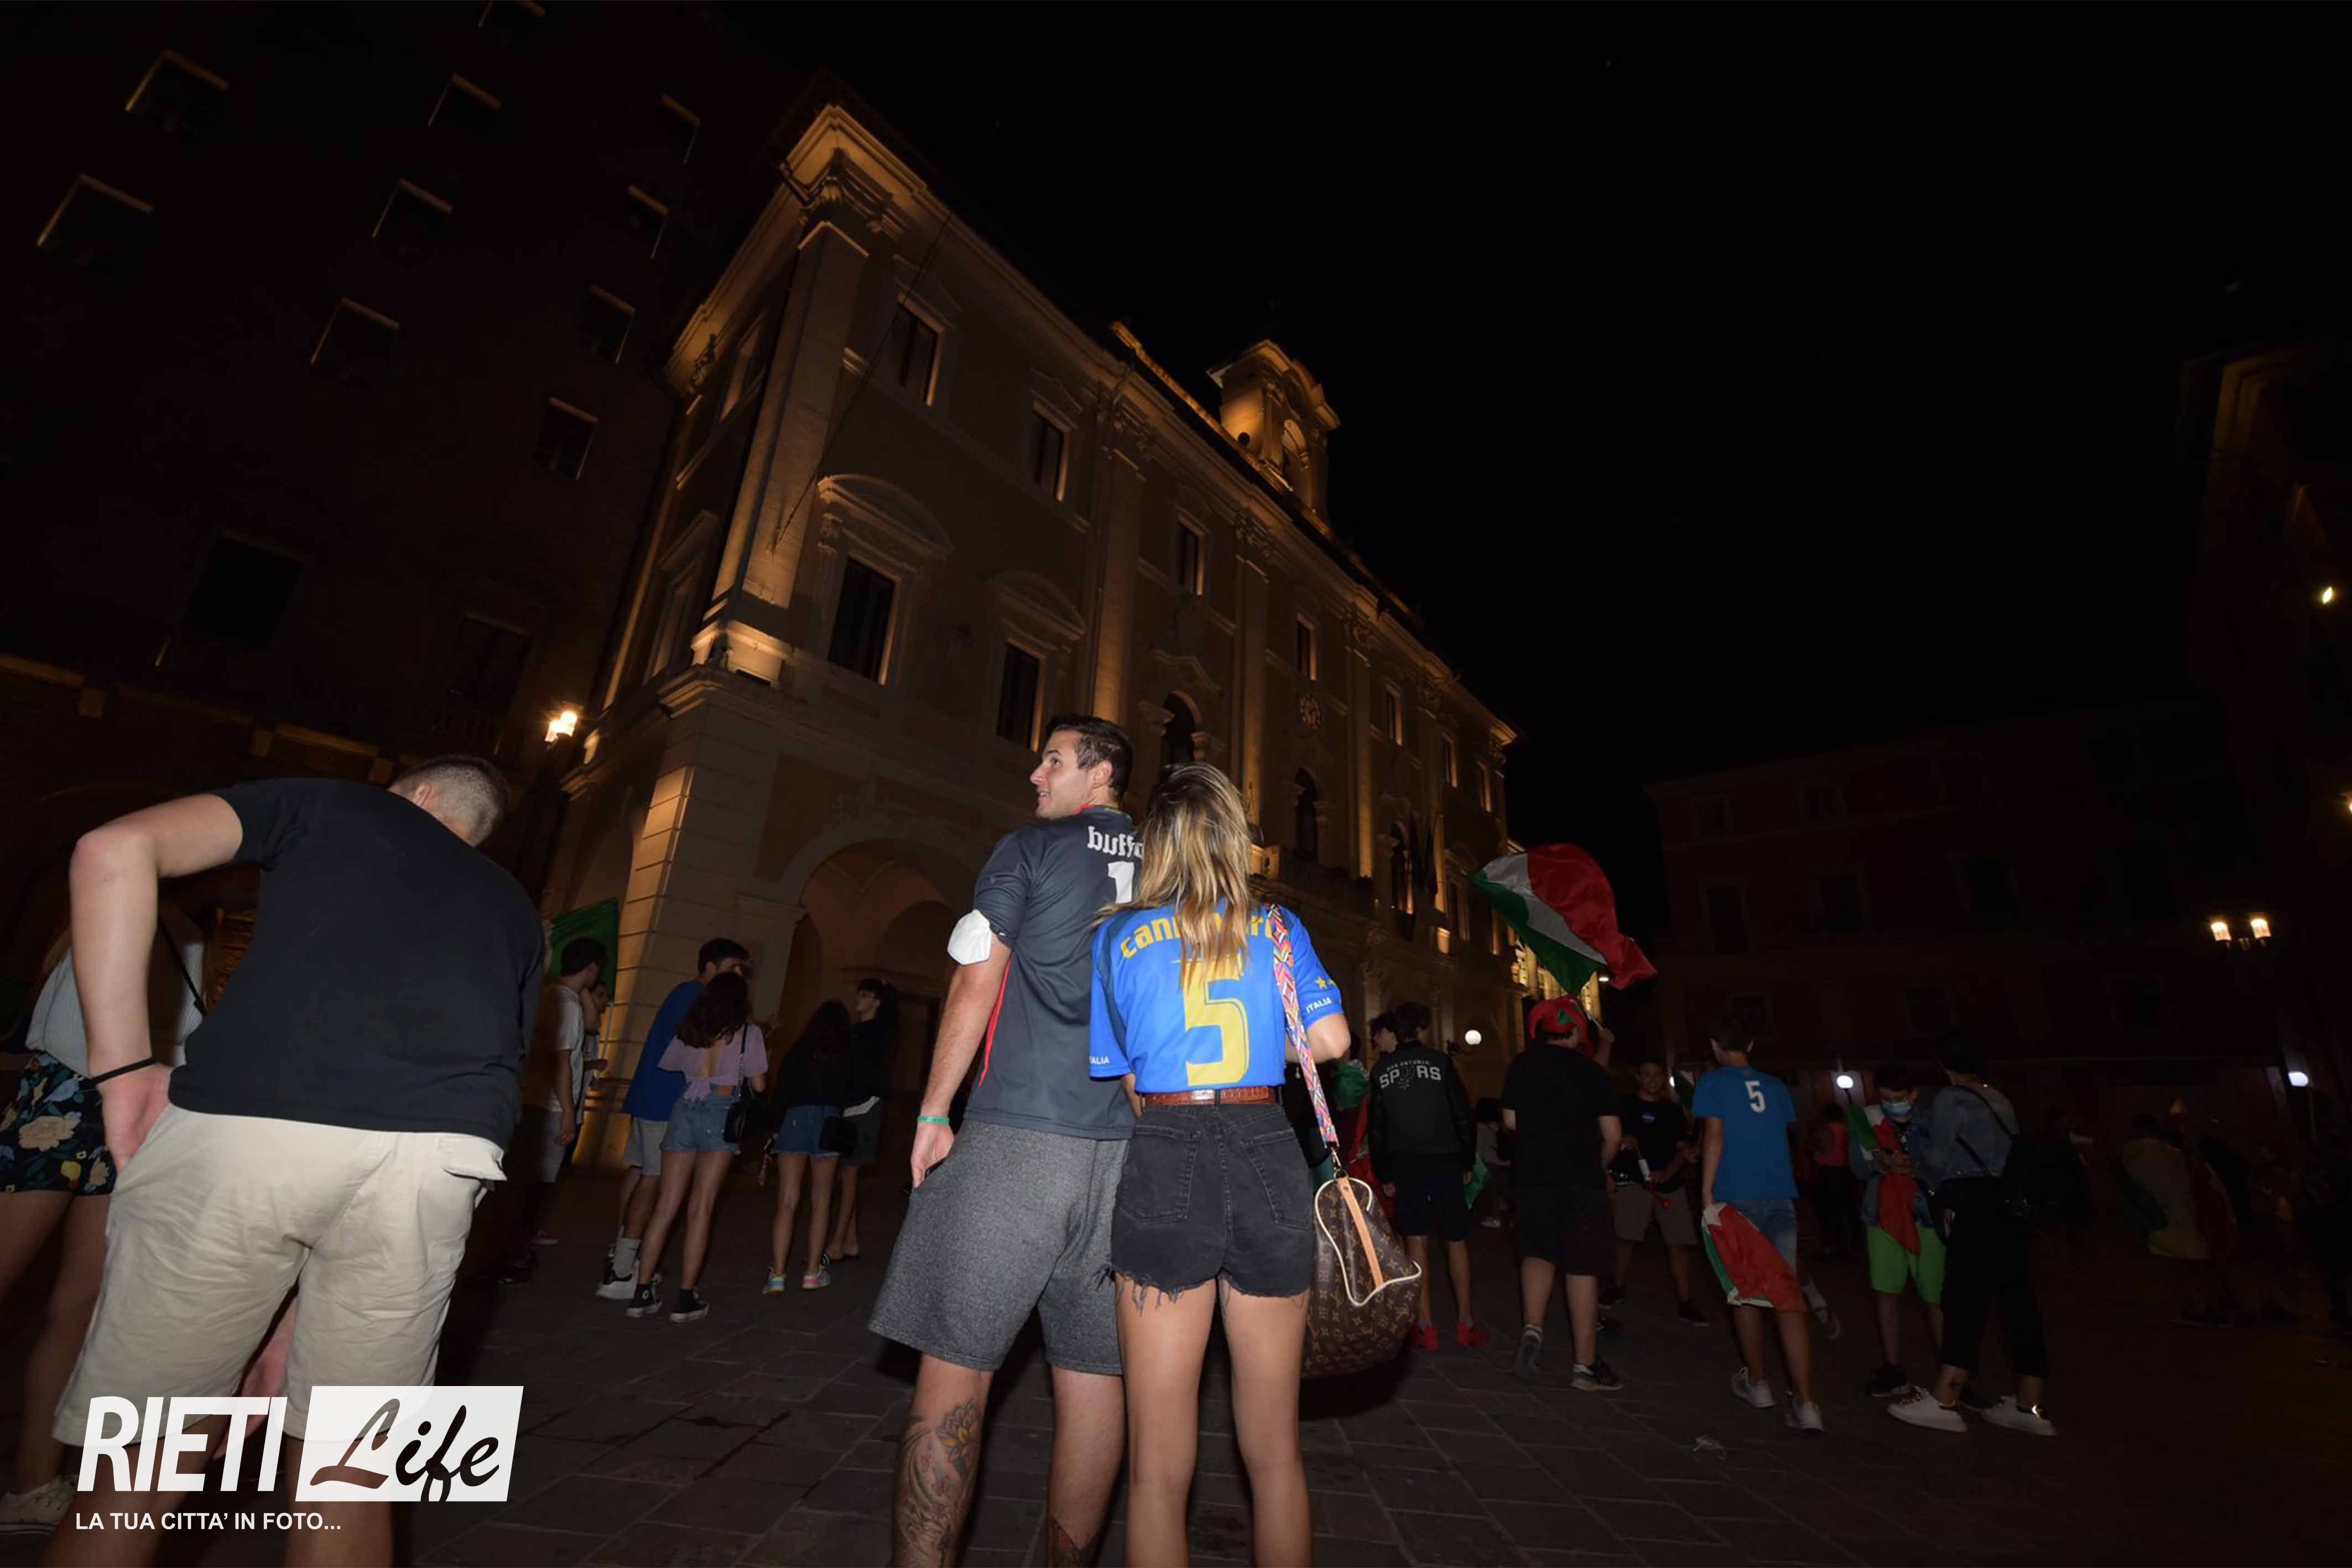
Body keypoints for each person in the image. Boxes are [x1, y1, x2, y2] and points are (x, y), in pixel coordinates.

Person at [46, 757, 542, 1568]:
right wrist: (291, 1321)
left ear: (416, 794)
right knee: (352, 1473)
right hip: (441, 1159)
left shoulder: (336, 804)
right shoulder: (516, 908)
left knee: (145, 1461)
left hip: (257, 1123)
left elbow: (112, 847)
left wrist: (124, 1068)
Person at [870, 715, 1139, 1567]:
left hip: (1019, 1136)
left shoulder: (1031, 847)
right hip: (1132, 1154)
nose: (1036, 774)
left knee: (957, 1364)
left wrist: (932, 1111)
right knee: (1097, 1378)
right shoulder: (1174, 864)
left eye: (1053, 759)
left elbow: (975, 979)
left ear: (1100, 772)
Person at [1088, 763, 1350, 1568]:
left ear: (1155, 844)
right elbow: (1332, 1041)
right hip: (1266, 1140)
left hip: (1168, 1144)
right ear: (1234, 837)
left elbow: (1127, 1078)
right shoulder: (1277, 926)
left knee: (1156, 1467)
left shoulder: (1116, 935)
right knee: (1275, 1452)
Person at [0, 910, 205, 1536]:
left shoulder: (190, 928)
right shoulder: (124, 901)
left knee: (81, 1304)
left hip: (136, 1109)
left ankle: (33, 1485)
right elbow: (71, 1031)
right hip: (68, 1098)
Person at [1891, 1042, 2054, 1436]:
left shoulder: (1951, 1098)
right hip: (2011, 1207)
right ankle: (2030, 1405)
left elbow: (1939, 1159)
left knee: (1964, 1299)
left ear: (1944, 1064)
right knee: (2018, 1302)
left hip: (1975, 1206)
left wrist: (1912, 1166)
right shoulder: (1999, 1098)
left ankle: (1945, 1399)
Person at [600, 937, 751, 1299]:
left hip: (650, 1095)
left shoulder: (682, 993)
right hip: (666, 1101)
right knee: (653, 1182)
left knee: (641, 1173)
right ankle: (622, 1272)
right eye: (733, 967)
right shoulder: (694, 996)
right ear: (711, 966)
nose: (738, 975)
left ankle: (623, 1254)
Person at [1695, 1018, 1823, 1433]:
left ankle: (1758, 1382)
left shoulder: (1713, 1082)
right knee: (1788, 1297)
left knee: (1746, 1293)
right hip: (1780, 1196)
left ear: (1715, 1046)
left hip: (1738, 1196)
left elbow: (1715, 1135)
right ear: (1751, 1044)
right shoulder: (1775, 1086)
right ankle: (1806, 1402)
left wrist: (1707, 1192)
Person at [621, 971, 767, 1322]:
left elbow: (671, 1064)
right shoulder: (749, 1034)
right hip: (721, 1111)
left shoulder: (691, 1029)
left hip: (684, 1108)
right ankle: (686, 1297)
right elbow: (760, 1085)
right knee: (701, 1207)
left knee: (665, 1205)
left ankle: (642, 1292)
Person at [1506, 1007, 1625, 1390]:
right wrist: (1600, 1165)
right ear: (1575, 1034)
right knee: (1582, 1266)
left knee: (1538, 1253)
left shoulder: (1522, 1065)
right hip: (1582, 1179)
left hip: (1534, 1176)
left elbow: (1510, 1121)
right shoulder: (1592, 1070)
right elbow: (1613, 1135)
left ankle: (1533, 1328)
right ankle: (1584, 1367)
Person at [1368, 1000, 1490, 1350]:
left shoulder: (1382, 1071)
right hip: (1445, 1159)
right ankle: (1465, 1322)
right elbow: (1463, 1115)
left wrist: (1384, 1173)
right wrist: (1467, 1161)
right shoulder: (1442, 1063)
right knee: (1456, 1240)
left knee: (1416, 1241)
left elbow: (1378, 1128)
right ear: (1422, 1029)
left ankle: (1426, 1326)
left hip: (1405, 1163)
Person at [495, 937, 605, 1284]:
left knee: (522, 1182)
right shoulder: (568, 1006)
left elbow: (592, 1025)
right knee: (535, 1188)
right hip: (553, 1105)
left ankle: (505, 1252)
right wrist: (570, 1112)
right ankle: (513, 1257)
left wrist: (582, 990)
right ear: (591, 968)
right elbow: (563, 1062)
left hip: (531, 1098)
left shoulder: (549, 996)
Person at [1850, 1063, 1945, 1398]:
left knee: (1936, 1296)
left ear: (1914, 1095)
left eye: (1899, 1098)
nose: (1892, 1104)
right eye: (1886, 1099)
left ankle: (1951, 1371)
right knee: (1886, 1294)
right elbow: (1858, 1167)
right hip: (1883, 1217)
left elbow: (1945, 1167)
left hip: (1926, 1217)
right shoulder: (1867, 1120)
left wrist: (1916, 1167)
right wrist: (1881, 1163)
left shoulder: (1933, 1121)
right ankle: (1892, 1367)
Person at [1606, 1059, 1707, 1326]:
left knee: (1678, 1245)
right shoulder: (1624, 1105)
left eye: (1657, 1075)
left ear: (1663, 1078)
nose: (1652, 1080)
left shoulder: (1672, 1110)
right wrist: (1621, 1142)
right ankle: (1616, 1288)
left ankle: (1686, 1302)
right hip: (1634, 1183)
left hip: (1670, 1187)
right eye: (1647, 1074)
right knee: (1625, 1239)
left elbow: (1682, 1148)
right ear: (1639, 1077)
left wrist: (1669, 1172)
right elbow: (1610, 1138)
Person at [763, 999, 854, 1293]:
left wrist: (775, 1128)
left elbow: (781, 1090)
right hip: (828, 1122)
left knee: (787, 1200)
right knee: (822, 1200)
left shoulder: (798, 1051)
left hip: (795, 1119)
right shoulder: (845, 1053)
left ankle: (778, 1275)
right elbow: (850, 1092)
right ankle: (812, 1273)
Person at [2116, 1112, 2228, 1326]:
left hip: (2158, 1216)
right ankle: (2213, 1307)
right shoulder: (2176, 1155)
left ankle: (2192, 1308)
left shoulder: (2132, 1152)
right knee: (2198, 1263)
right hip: (2187, 1214)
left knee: (2175, 1265)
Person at [822, 977, 898, 1265]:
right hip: (851, 1107)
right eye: (859, 993)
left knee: (850, 1173)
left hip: (864, 1107)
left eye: (865, 995)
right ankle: (849, 1241)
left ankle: (837, 1242)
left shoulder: (878, 1033)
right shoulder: (857, 1032)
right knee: (846, 1175)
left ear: (877, 1002)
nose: (858, 999)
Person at [1807, 1103, 1861, 1263]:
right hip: (1846, 1172)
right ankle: (1855, 1248)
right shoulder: (1846, 1130)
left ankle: (1833, 1248)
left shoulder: (1824, 1131)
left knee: (1828, 1212)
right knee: (1850, 1211)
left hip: (1828, 1174)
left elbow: (1821, 1148)